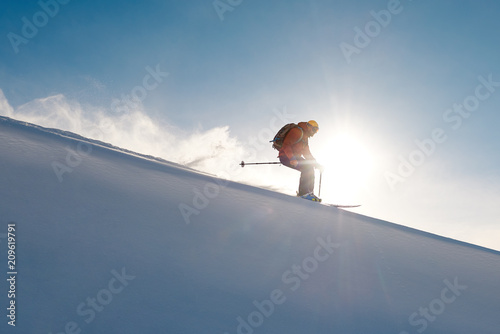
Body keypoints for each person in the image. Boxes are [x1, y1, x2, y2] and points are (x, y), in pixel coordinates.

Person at [278, 120, 323, 201]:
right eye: (314, 130)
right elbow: (286, 144)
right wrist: (292, 158)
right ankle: (303, 193)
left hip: (294, 157)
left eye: (316, 131)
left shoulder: (305, 137)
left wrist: (316, 164)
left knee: (310, 167)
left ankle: (309, 193)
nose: (314, 133)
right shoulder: (297, 131)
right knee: (307, 168)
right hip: (286, 156)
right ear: (308, 126)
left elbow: (307, 154)